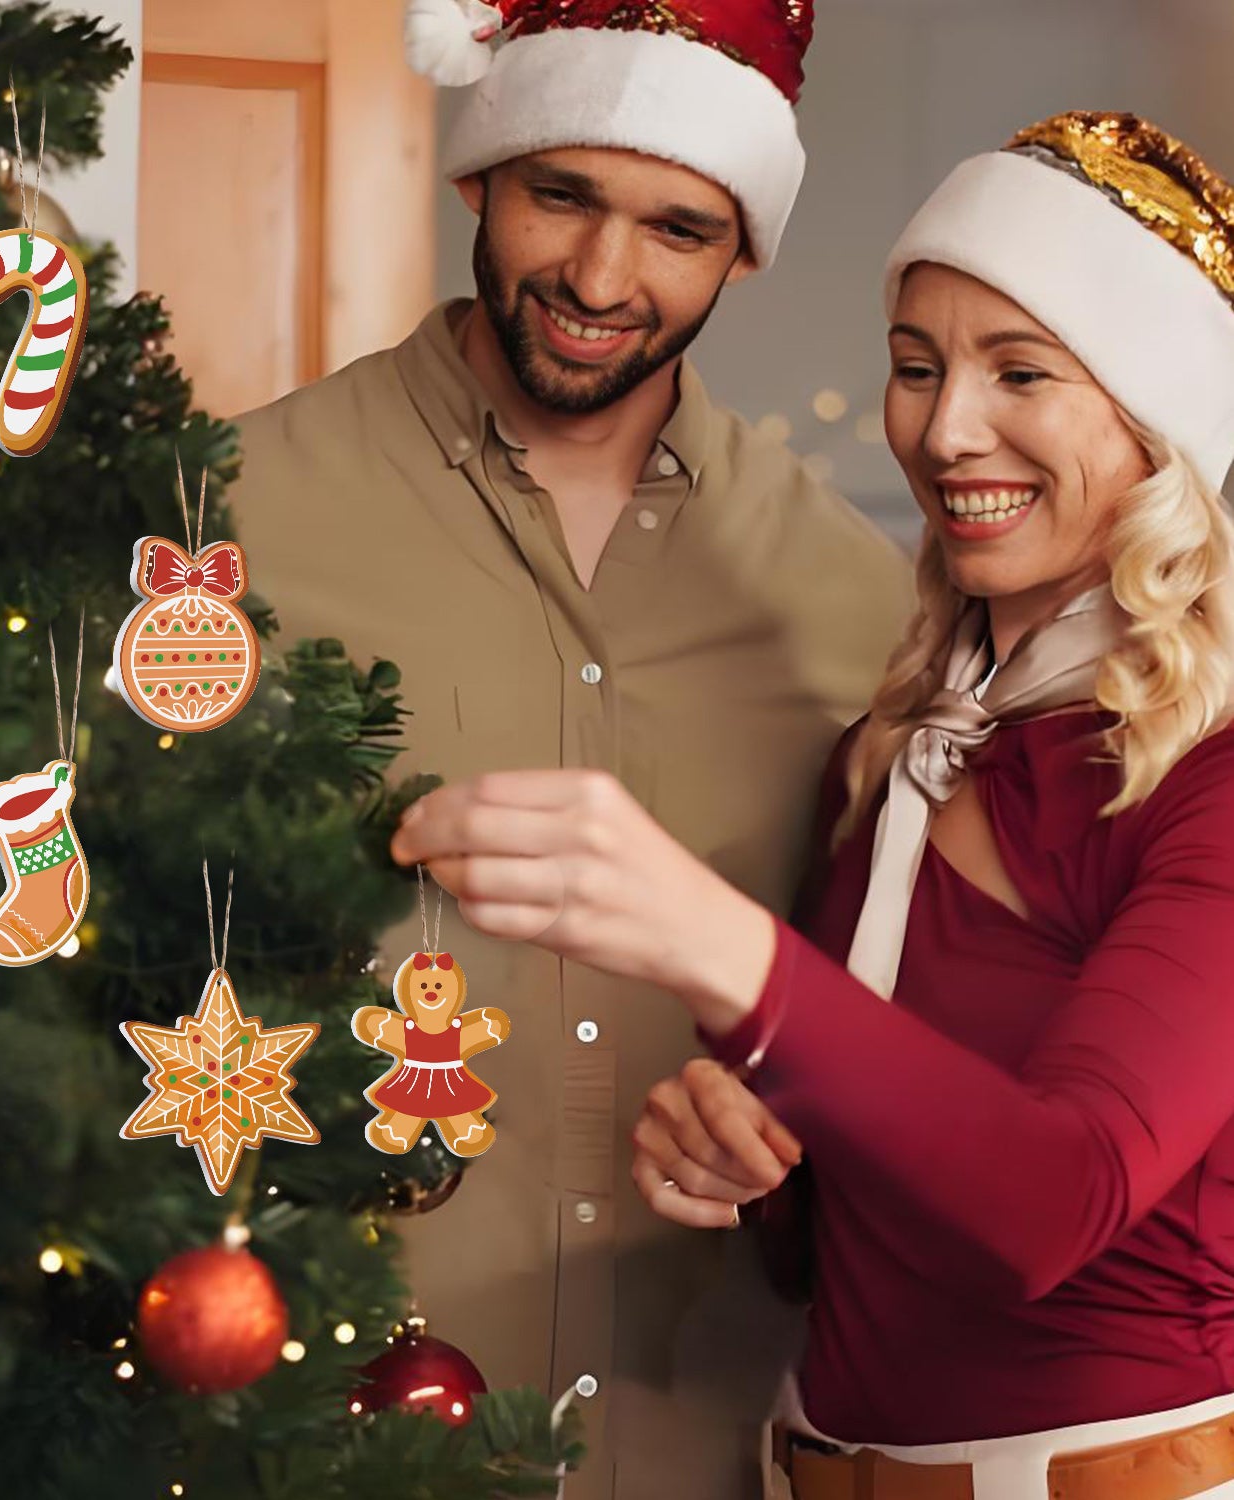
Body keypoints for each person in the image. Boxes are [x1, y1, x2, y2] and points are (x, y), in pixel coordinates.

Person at [390, 109, 1234, 1500]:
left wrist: (714, 943)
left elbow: (1051, 1201)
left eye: (1020, 371)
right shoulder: (901, 751)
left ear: (1158, 423)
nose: (944, 427)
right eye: (916, 367)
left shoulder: (1206, 775)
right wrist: (752, 1162)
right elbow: (861, 1229)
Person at [230, 1, 912, 1494]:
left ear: (741, 248)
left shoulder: (858, 605)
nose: (604, 279)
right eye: (563, 196)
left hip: (714, 1432)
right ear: (479, 175)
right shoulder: (229, 524)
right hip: (310, 1422)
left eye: (677, 227)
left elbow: (906, 1031)